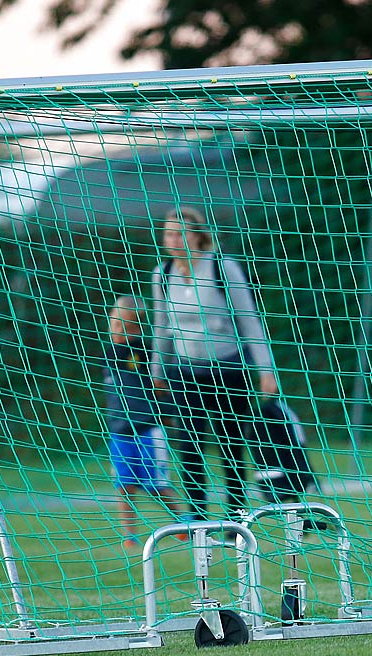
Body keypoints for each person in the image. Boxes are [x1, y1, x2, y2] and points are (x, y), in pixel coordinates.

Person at [148, 206, 279, 521]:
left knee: (231, 448)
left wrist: (266, 370)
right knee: (190, 448)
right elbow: (162, 326)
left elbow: (249, 321)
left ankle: (237, 520)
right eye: (169, 233)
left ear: (197, 236)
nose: (174, 239)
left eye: (181, 233)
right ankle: (198, 522)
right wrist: (157, 370)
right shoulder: (162, 273)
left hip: (228, 369)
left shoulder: (222, 267)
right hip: (185, 373)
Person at [102, 295, 187, 548]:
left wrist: (168, 411)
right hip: (119, 430)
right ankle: (129, 536)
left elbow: (161, 387)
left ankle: (184, 523)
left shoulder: (147, 352)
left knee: (156, 485)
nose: (117, 330)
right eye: (114, 324)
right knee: (124, 485)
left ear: (137, 328)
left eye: (124, 326)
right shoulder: (108, 354)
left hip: (148, 429)